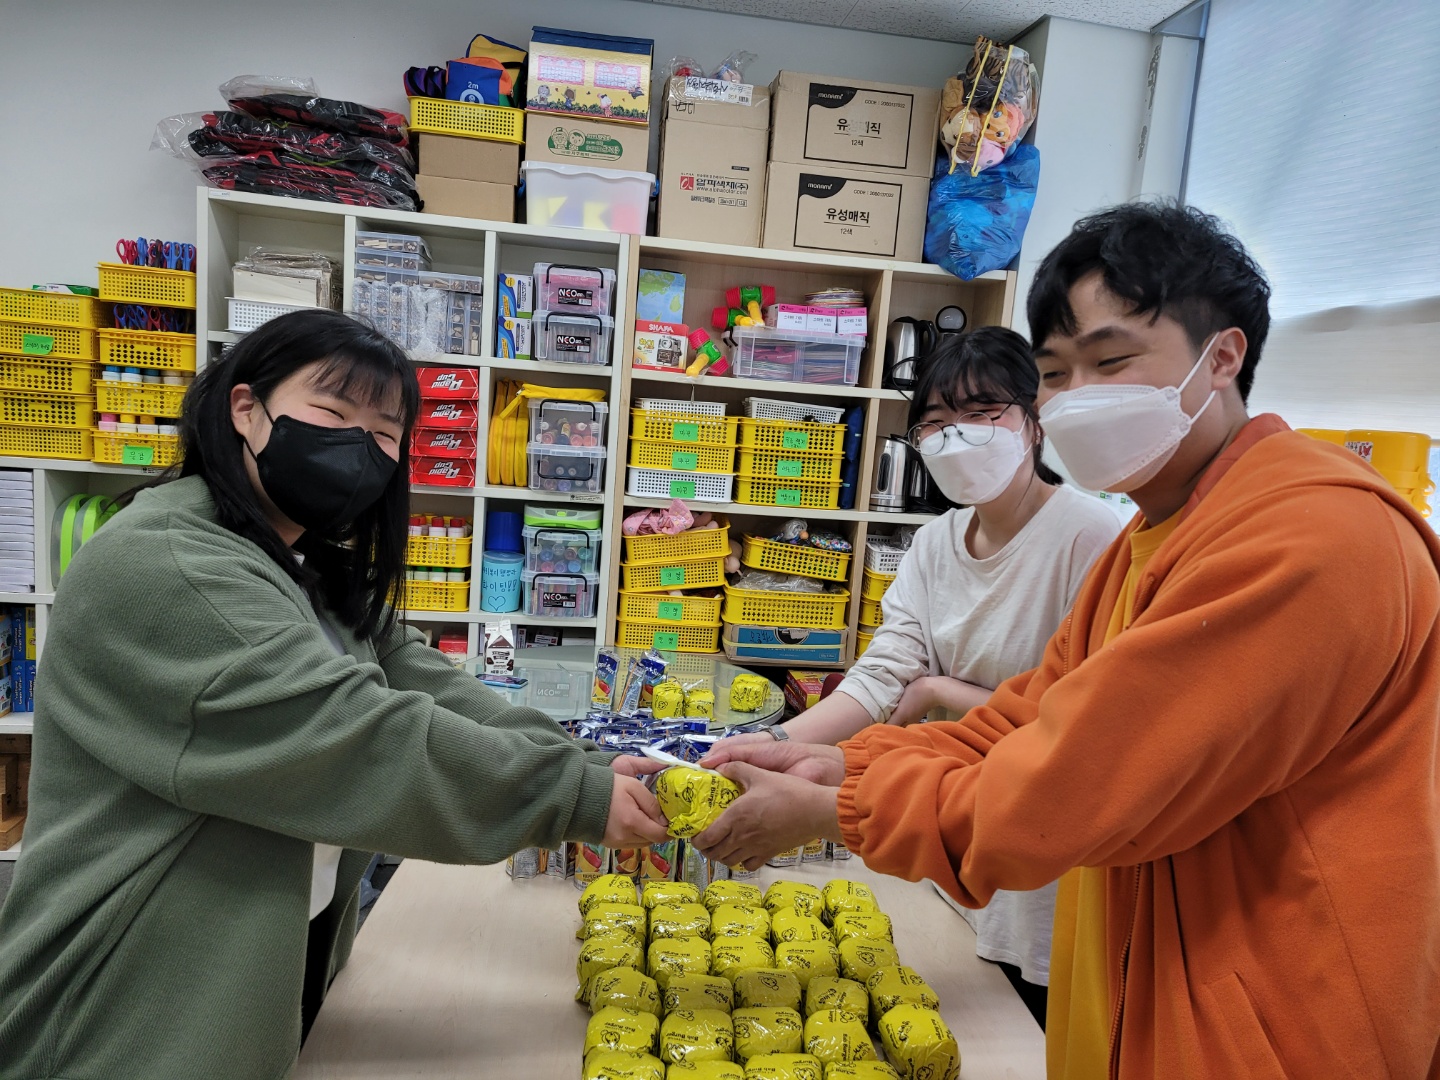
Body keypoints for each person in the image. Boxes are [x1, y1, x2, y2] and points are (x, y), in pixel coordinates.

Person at [689, 204, 1440, 1078]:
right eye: (1055, 372)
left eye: (1111, 362)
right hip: (1150, 990)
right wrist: (838, 764)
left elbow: (1071, 786)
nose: (1078, 396)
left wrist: (839, 809)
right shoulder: (1151, 540)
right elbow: (1025, 720)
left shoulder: (1307, 539)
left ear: (1223, 357)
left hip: (1277, 1026)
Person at [0, 310, 670, 1079]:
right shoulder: (169, 567)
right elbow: (354, 737)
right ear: (245, 409)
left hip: (242, 989)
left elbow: (423, 682)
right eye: (332, 412)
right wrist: (573, 797)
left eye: (385, 432)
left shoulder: (296, 564)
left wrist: (593, 767)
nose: (359, 446)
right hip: (118, 1008)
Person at [722, 326, 1120, 1026]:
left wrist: (941, 692)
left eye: (982, 412)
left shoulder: (1092, 540)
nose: (955, 436)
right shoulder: (935, 543)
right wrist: (776, 746)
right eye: (935, 421)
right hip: (945, 825)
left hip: (1042, 853)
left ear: (1035, 421)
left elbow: (1085, 722)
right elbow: (883, 674)